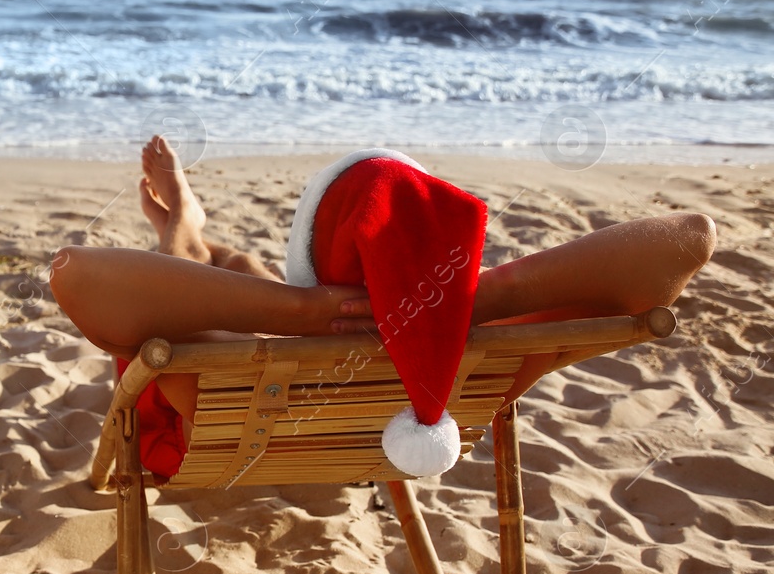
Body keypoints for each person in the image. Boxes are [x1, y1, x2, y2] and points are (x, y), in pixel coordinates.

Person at [49, 135, 717, 476]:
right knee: (230, 275)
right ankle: (195, 232)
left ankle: (185, 229)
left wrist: (300, 312)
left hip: (241, 430)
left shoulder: (238, 357)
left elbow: (74, 273)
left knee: (206, 287)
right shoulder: (471, 350)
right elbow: (691, 237)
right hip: (372, 436)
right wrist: (459, 302)